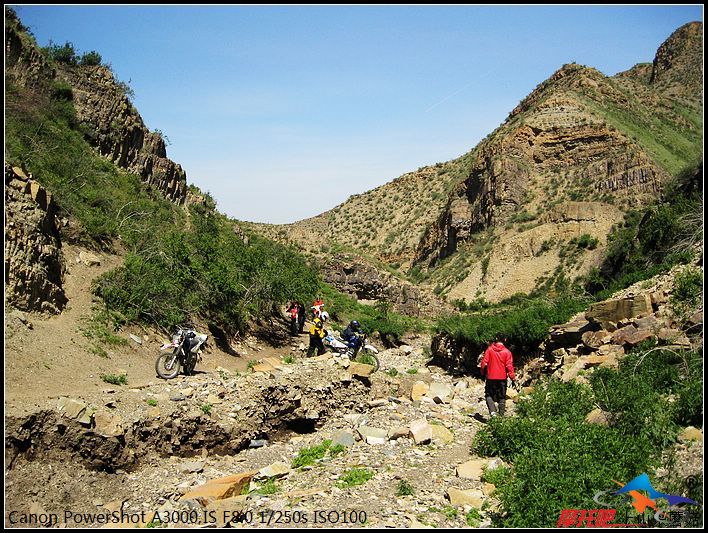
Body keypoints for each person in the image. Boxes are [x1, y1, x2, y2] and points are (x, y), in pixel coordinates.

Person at [480, 333, 516, 418]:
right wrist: (512, 377)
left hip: (491, 377)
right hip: (502, 377)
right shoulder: (507, 352)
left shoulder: (489, 350)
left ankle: (493, 413)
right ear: (505, 340)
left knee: (488, 395)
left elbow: (484, 363)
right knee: (502, 396)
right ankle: (501, 416)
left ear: (496, 339)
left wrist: (482, 372)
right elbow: (509, 366)